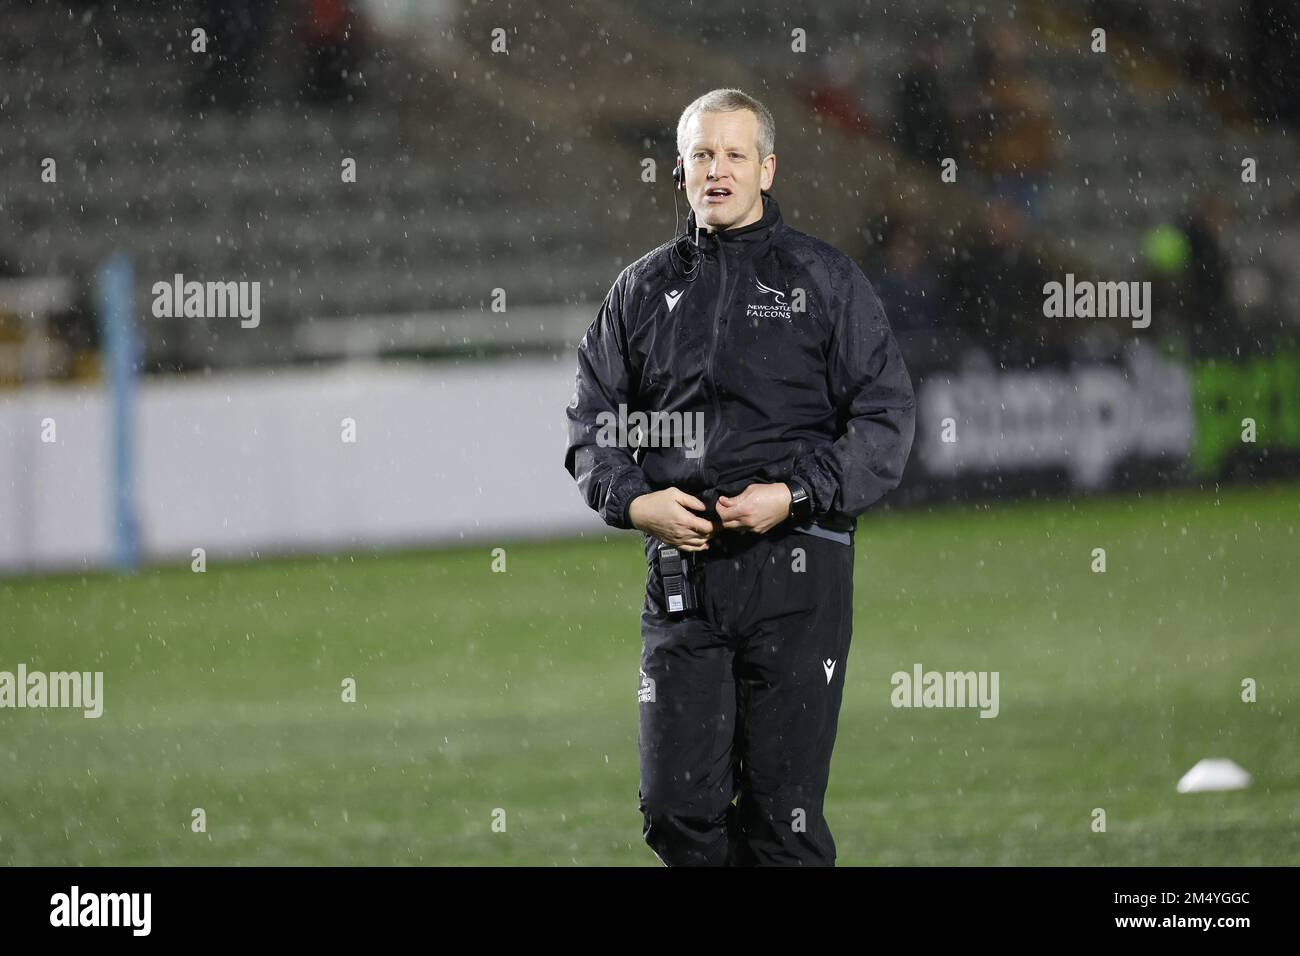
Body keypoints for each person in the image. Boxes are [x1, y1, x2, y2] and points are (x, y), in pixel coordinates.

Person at [563, 89, 916, 865]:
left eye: (733, 155)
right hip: (683, 580)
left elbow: (886, 422)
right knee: (673, 812)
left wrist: (794, 494)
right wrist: (634, 500)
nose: (716, 171)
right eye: (701, 155)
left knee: (780, 825)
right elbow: (593, 424)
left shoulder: (824, 280)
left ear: (767, 168)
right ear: (680, 171)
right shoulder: (641, 291)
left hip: (798, 574)